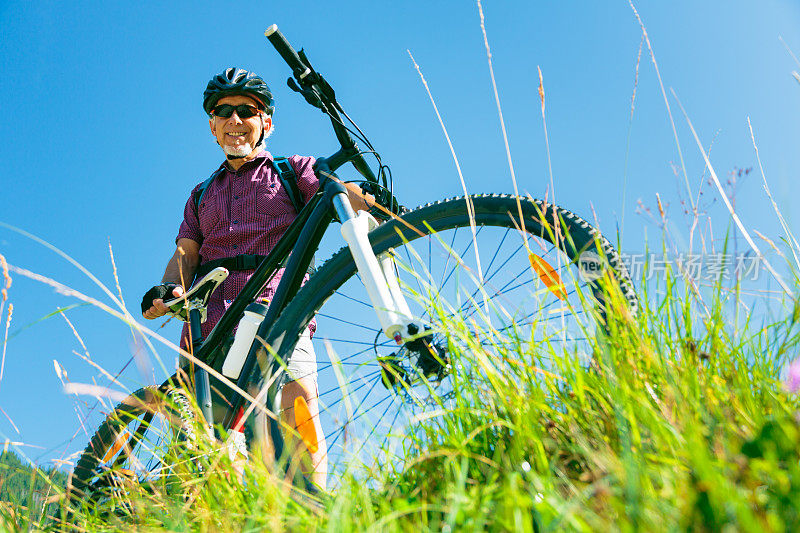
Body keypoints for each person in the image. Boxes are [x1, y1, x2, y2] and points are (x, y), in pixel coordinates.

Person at [141, 67, 370, 489]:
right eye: (222, 112)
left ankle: (312, 512)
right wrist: (169, 288)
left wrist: (371, 204)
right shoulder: (201, 193)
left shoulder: (290, 170)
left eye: (246, 110)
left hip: (278, 312)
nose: (234, 121)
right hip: (208, 328)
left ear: (266, 121)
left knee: (296, 407)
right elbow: (186, 252)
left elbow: (337, 191)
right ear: (212, 126)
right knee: (199, 454)